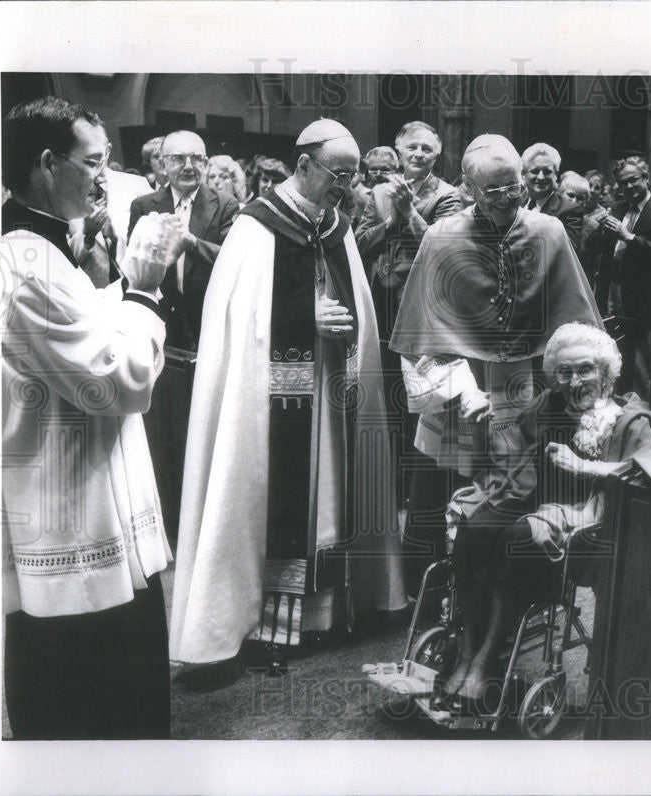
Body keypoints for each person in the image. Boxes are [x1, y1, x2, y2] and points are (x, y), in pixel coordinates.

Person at [169, 119, 406, 684]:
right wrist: (304, 317)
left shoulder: (336, 225)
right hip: (270, 402)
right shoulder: (256, 227)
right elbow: (237, 319)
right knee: (266, 501)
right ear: (304, 165)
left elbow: (359, 306)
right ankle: (261, 625)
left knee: (333, 497)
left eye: (353, 176)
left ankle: (330, 611)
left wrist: (341, 324)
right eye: (338, 174)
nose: (347, 187)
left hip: (330, 393)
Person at [1, 96, 180, 739]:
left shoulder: (41, 249)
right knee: (95, 713)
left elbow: (83, 332)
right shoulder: (22, 264)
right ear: (48, 164)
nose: (105, 179)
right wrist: (144, 288)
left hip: (91, 501)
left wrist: (113, 287)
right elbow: (116, 380)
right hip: (71, 523)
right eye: (93, 162)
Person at [388, 133, 601, 596]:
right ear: (467, 188)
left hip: (524, 391)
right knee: (440, 497)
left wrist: (561, 391)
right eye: (494, 191)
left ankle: (502, 607)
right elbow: (419, 340)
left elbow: (577, 330)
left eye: (515, 187)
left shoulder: (550, 232)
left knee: (512, 504)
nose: (508, 200)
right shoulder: (442, 237)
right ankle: (431, 602)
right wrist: (463, 390)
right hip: (457, 394)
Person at [442, 322, 651, 704]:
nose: (573, 380)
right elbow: (507, 456)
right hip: (530, 499)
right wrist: (478, 429)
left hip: (585, 519)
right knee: (474, 529)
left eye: (585, 369)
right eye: (564, 372)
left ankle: (485, 661)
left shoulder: (628, 421)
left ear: (606, 374)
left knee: (520, 540)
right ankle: (467, 652)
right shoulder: (546, 404)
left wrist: (586, 467)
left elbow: (649, 475)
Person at [355, 123, 461, 499]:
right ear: (398, 151)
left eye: (426, 149)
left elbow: (443, 250)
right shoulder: (379, 192)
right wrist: (390, 222)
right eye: (411, 147)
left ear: (437, 155)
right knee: (381, 392)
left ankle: (415, 487)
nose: (418, 154)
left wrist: (409, 213)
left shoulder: (448, 196)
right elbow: (359, 243)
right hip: (380, 305)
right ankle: (384, 479)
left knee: (418, 397)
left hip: (420, 309)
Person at [128, 130, 240, 351]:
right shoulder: (143, 206)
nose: (188, 166)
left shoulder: (226, 205)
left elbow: (232, 259)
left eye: (196, 158)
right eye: (179, 158)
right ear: (163, 164)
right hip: (159, 316)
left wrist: (193, 244)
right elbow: (134, 262)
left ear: (206, 163)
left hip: (207, 318)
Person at [586, 155, 651, 394]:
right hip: (612, 291)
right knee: (609, 354)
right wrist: (600, 227)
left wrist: (628, 236)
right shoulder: (617, 207)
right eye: (623, 183)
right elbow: (595, 247)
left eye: (634, 180)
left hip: (643, 297)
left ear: (645, 178)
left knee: (639, 363)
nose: (628, 187)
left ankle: (639, 416)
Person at [521, 142, 584, 254]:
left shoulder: (570, 210)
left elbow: (568, 252)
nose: (540, 177)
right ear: (524, 175)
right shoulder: (517, 205)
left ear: (556, 175)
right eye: (535, 171)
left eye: (547, 172)